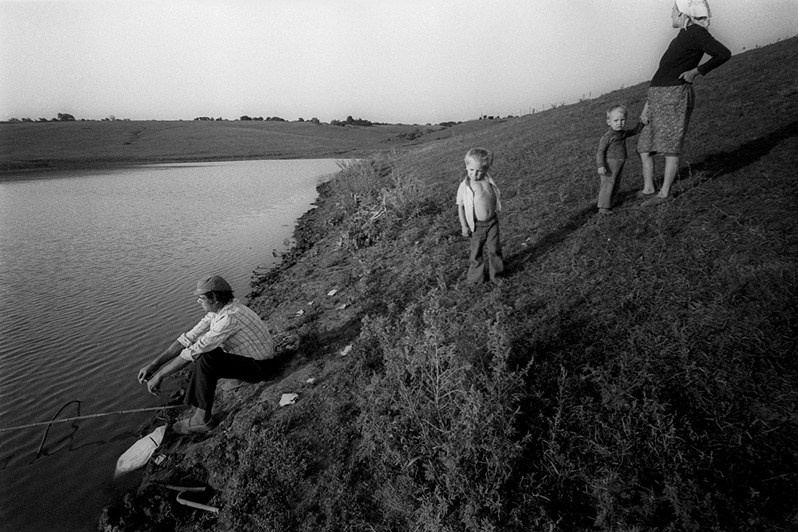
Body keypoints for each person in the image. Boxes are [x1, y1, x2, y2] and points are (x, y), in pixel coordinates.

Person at [137, 275, 275, 434]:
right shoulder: (220, 310)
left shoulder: (229, 317)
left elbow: (194, 351)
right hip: (254, 360)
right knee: (208, 350)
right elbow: (187, 339)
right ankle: (238, 378)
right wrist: (154, 365)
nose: (198, 301)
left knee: (205, 357)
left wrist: (160, 375)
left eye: (201, 298)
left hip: (262, 368)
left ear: (214, 297)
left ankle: (202, 419)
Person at [637, 0, 730, 205]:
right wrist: (647, 104)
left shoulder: (697, 32)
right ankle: (649, 187)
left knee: (670, 146)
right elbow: (663, 71)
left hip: (674, 95)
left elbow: (723, 54)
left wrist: (696, 72)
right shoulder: (683, 35)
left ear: (683, 14)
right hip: (658, 96)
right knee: (645, 146)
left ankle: (664, 194)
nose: (671, 15)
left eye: (673, 11)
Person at [457, 147, 504, 284]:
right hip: (476, 226)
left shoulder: (488, 180)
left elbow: (492, 196)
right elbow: (460, 206)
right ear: (466, 167)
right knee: (476, 252)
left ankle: (497, 275)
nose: (475, 174)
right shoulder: (465, 186)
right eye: (471, 170)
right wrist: (464, 226)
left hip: (492, 222)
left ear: (486, 169)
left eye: (479, 171)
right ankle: (476, 279)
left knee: (495, 249)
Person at [596, 104, 645, 215]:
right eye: (616, 120)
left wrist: (642, 123)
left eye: (622, 120)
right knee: (608, 184)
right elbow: (600, 152)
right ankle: (603, 208)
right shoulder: (607, 137)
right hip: (610, 163)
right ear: (609, 122)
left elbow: (633, 131)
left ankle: (610, 203)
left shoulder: (622, 133)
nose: (619, 123)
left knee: (615, 184)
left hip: (620, 162)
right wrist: (601, 165)